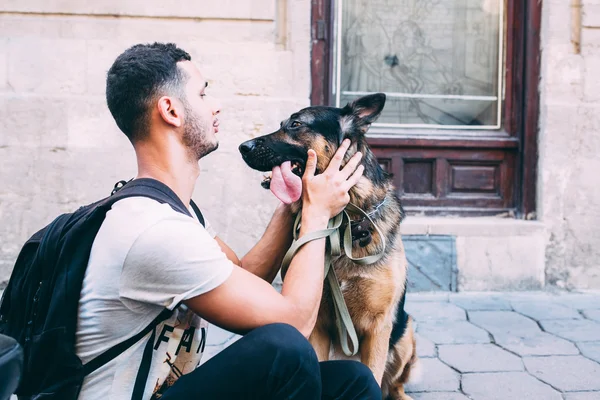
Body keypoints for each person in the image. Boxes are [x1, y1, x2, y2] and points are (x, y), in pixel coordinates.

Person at [75, 42, 381, 399]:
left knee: (354, 381)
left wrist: (294, 203)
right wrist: (317, 214)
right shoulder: (154, 230)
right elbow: (295, 324)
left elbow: (245, 276)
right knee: (283, 347)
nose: (215, 106)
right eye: (203, 94)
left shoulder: (172, 210)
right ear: (171, 111)